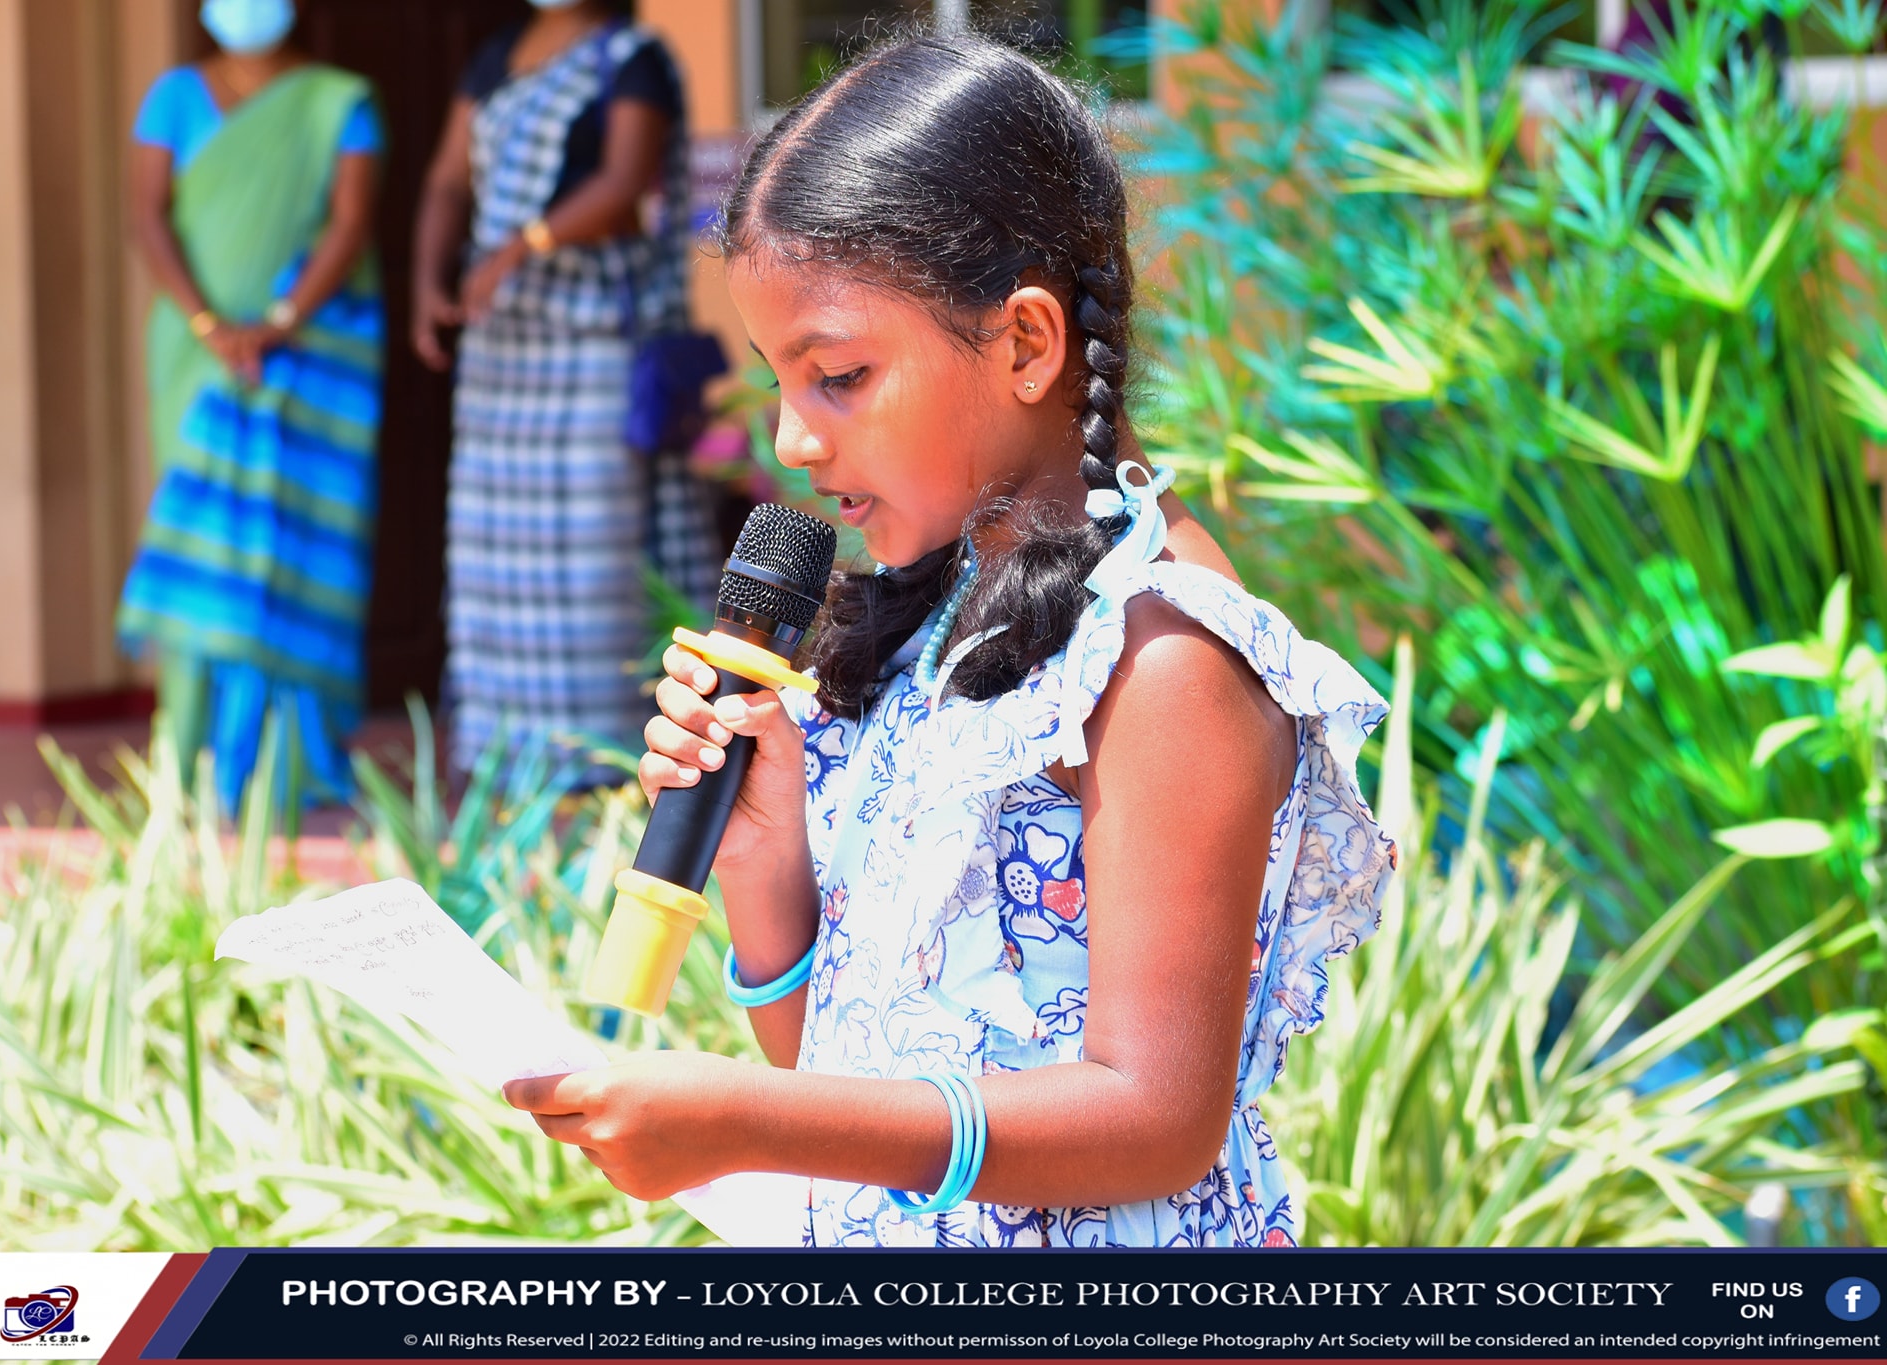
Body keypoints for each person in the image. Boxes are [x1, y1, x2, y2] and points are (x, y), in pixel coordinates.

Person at [505, 36, 1396, 1247]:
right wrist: (762, 865)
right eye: (777, 382)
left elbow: (1153, 1118)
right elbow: (847, 1060)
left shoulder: (1160, 655)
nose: (793, 441)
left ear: (1025, 344)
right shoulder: (937, 610)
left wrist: (751, 1120)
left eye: (837, 376)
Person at [412, 0, 721, 778]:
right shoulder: (499, 56)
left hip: (594, 335)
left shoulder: (631, 58)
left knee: (594, 560)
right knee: (495, 556)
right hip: (502, 350)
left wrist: (520, 246)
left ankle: (607, 753)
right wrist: (426, 286)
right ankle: (509, 752)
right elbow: (448, 180)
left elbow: (623, 181)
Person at [118, 0, 384, 814]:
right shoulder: (172, 97)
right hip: (194, 355)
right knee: (202, 535)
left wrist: (279, 322)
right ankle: (189, 756)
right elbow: (146, 215)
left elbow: (351, 222)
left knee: (288, 546)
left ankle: (284, 762)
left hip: (307, 356)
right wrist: (211, 325)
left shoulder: (340, 101)